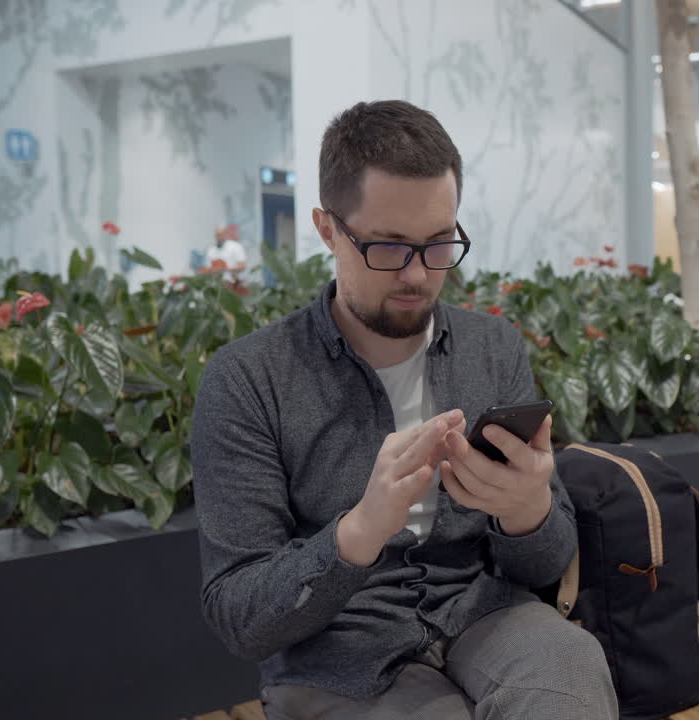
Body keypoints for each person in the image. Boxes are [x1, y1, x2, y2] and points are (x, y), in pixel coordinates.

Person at [190, 100, 615, 720]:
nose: (417, 274)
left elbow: (547, 563)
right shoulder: (249, 378)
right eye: (388, 247)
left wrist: (529, 512)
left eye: (439, 243)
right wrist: (360, 529)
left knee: (570, 675)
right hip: (335, 646)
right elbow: (239, 617)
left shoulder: (492, 347)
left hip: (484, 610)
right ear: (329, 229)